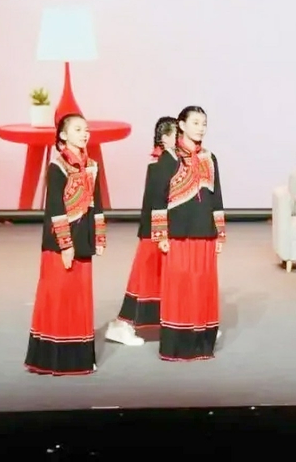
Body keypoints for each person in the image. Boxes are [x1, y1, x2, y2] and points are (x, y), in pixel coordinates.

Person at [25, 113, 105, 375]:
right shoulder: (57, 166)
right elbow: (55, 208)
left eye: (86, 129)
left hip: (83, 239)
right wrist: (66, 245)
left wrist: (99, 237)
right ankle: (52, 359)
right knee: (58, 297)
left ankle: (79, 359)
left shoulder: (92, 166)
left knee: (79, 299)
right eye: (78, 129)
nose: (84, 134)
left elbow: (97, 204)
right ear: (63, 135)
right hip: (59, 243)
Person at [152, 106, 225, 361]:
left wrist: (219, 234)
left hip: (205, 232)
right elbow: (158, 197)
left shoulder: (209, 157)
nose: (201, 128)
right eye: (195, 123)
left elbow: (216, 197)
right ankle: (177, 346)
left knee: (202, 286)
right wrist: (161, 235)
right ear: (181, 125)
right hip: (177, 234)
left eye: (204, 123)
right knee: (180, 287)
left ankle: (201, 345)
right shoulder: (169, 157)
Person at [105, 116, 178, 347]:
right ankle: (122, 324)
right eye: (178, 134)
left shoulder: (173, 161)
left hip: (166, 230)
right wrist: (160, 234)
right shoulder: (161, 164)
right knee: (143, 278)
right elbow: (156, 202)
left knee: (164, 279)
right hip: (155, 232)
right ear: (165, 138)